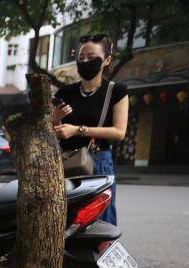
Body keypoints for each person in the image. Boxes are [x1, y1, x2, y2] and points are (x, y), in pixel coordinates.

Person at [53, 34, 128, 226]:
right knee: (64, 223)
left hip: (98, 162)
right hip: (66, 163)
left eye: (91, 56)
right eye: (81, 57)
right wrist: (56, 119)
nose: (85, 61)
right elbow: (49, 131)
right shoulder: (64, 93)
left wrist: (77, 130)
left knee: (100, 224)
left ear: (107, 60)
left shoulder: (116, 91)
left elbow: (119, 132)